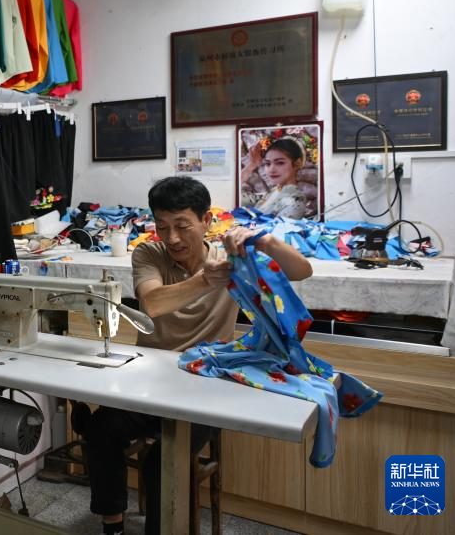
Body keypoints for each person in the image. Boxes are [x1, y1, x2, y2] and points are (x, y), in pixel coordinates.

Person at [76, 176, 312, 535]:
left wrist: (263, 240)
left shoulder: (228, 258)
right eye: (162, 226)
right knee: (100, 429)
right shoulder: (148, 254)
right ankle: (113, 525)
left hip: (207, 387)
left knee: (161, 462)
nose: (172, 238)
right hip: (150, 382)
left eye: (182, 225)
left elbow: (301, 271)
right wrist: (205, 280)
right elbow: (152, 304)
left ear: (206, 221)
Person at [240, 136, 311, 219]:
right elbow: (236, 196)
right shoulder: (273, 192)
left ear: (297, 164)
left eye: (280, 163)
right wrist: (252, 165)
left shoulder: (296, 199)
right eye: (267, 163)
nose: (271, 169)